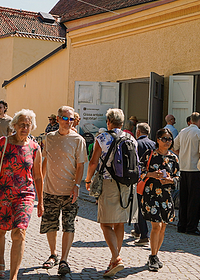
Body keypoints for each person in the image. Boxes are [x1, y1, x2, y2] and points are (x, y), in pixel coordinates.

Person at [0, 109, 43, 280]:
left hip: (25, 194)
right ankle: (1, 261)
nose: (25, 127)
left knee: (19, 232)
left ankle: (14, 276)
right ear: (15, 125)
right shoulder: (3, 143)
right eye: (22, 124)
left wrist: (40, 202)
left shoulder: (34, 147)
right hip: (2, 192)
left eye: (28, 124)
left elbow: (38, 176)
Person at [85, 108, 138, 277]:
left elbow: (93, 162)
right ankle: (113, 261)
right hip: (126, 184)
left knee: (105, 223)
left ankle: (116, 258)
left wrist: (88, 180)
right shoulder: (131, 138)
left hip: (108, 182)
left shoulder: (102, 137)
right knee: (119, 223)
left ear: (108, 121)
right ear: (122, 123)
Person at [40, 106, 87, 276]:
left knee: (69, 225)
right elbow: (45, 160)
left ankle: (64, 260)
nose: (69, 122)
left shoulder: (78, 140)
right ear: (58, 119)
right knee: (50, 224)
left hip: (69, 192)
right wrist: (40, 184)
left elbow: (80, 165)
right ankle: (53, 254)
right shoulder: (49, 138)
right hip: (50, 189)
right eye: (65, 119)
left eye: (71, 119)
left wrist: (76, 186)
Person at [140, 127, 180, 271]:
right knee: (156, 225)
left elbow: (177, 177)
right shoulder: (150, 154)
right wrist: (151, 175)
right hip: (151, 194)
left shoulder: (173, 158)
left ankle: (155, 255)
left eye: (169, 139)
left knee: (163, 226)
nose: (168, 142)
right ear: (158, 140)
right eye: (164, 139)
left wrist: (170, 180)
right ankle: (152, 255)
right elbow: (140, 171)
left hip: (166, 196)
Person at [172, 112, 200, 236]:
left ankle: (181, 224)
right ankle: (191, 226)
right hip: (195, 169)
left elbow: (174, 147)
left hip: (183, 168)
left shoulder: (182, 132)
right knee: (194, 200)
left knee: (184, 198)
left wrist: (181, 155)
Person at [133, 123, 156, 247]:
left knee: (138, 206)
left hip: (140, 179)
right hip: (151, 178)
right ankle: (137, 230)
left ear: (138, 132)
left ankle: (143, 234)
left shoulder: (136, 143)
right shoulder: (153, 144)